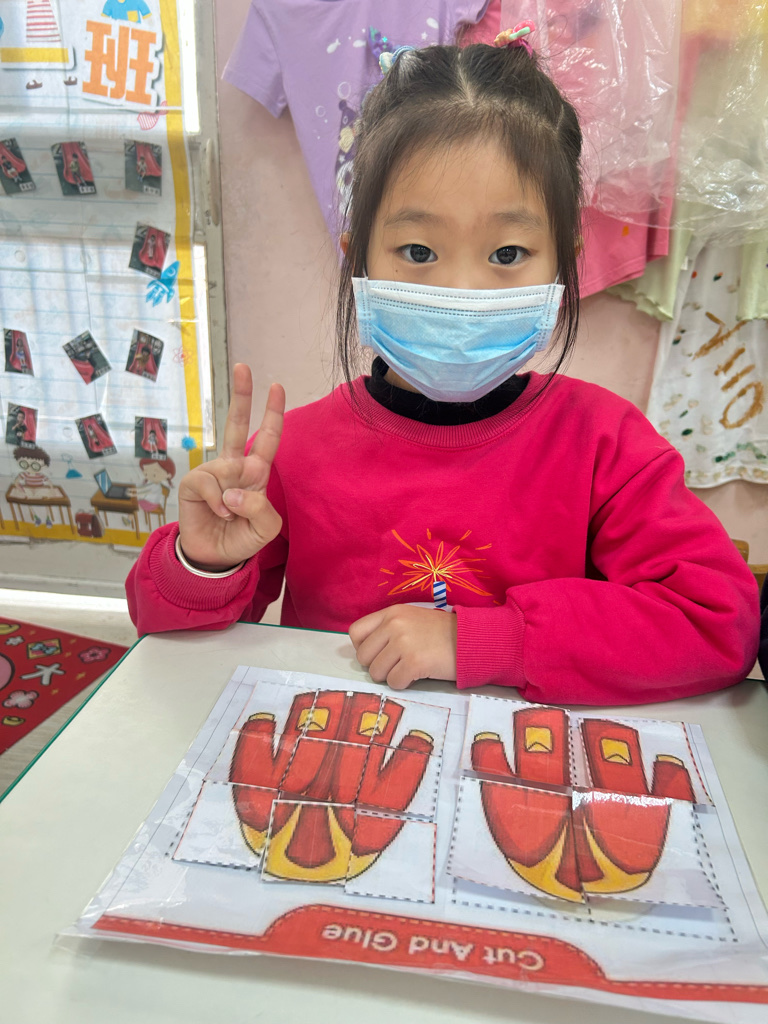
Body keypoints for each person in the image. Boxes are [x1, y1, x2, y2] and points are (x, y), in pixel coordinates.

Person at [126, 29, 760, 705]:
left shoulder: (606, 444)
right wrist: (202, 562)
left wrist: (486, 641)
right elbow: (168, 630)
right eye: (419, 252)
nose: (461, 290)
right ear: (356, 254)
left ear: (565, 260)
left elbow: (717, 621)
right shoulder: (292, 455)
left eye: (508, 254)